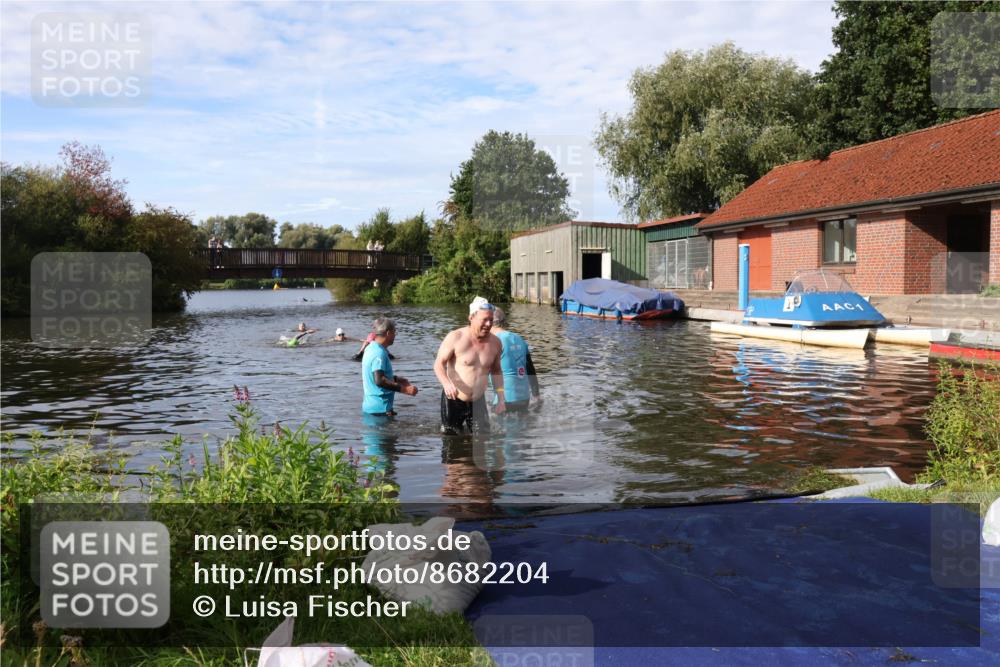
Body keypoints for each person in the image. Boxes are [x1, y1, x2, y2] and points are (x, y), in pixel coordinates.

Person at [434, 296, 505, 434]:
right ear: (471, 317)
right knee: (452, 442)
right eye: (484, 319)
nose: (489, 323)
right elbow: (438, 364)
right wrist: (446, 383)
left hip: (478, 400)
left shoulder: (496, 342)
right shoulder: (456, 337)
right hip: (454, 399)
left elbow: (497, 371)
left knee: (483, 438)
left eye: (491, 319)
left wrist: (501, 397)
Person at [361, 317, 417, 417]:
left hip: (371, 408)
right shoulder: (379, 353)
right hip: (380, 410)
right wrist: (405, 390)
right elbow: (380, 380)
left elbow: (375, 374)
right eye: (394, 332)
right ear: (388, 333)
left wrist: (396, 379)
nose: (395, 335)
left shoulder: (370, 348)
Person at [489, 307, 540, 411]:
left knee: (498, 426)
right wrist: (536, 395)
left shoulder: (493, 342)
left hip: (504, 399)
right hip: (524, 398)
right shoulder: (519, 338)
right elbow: (531, 370)